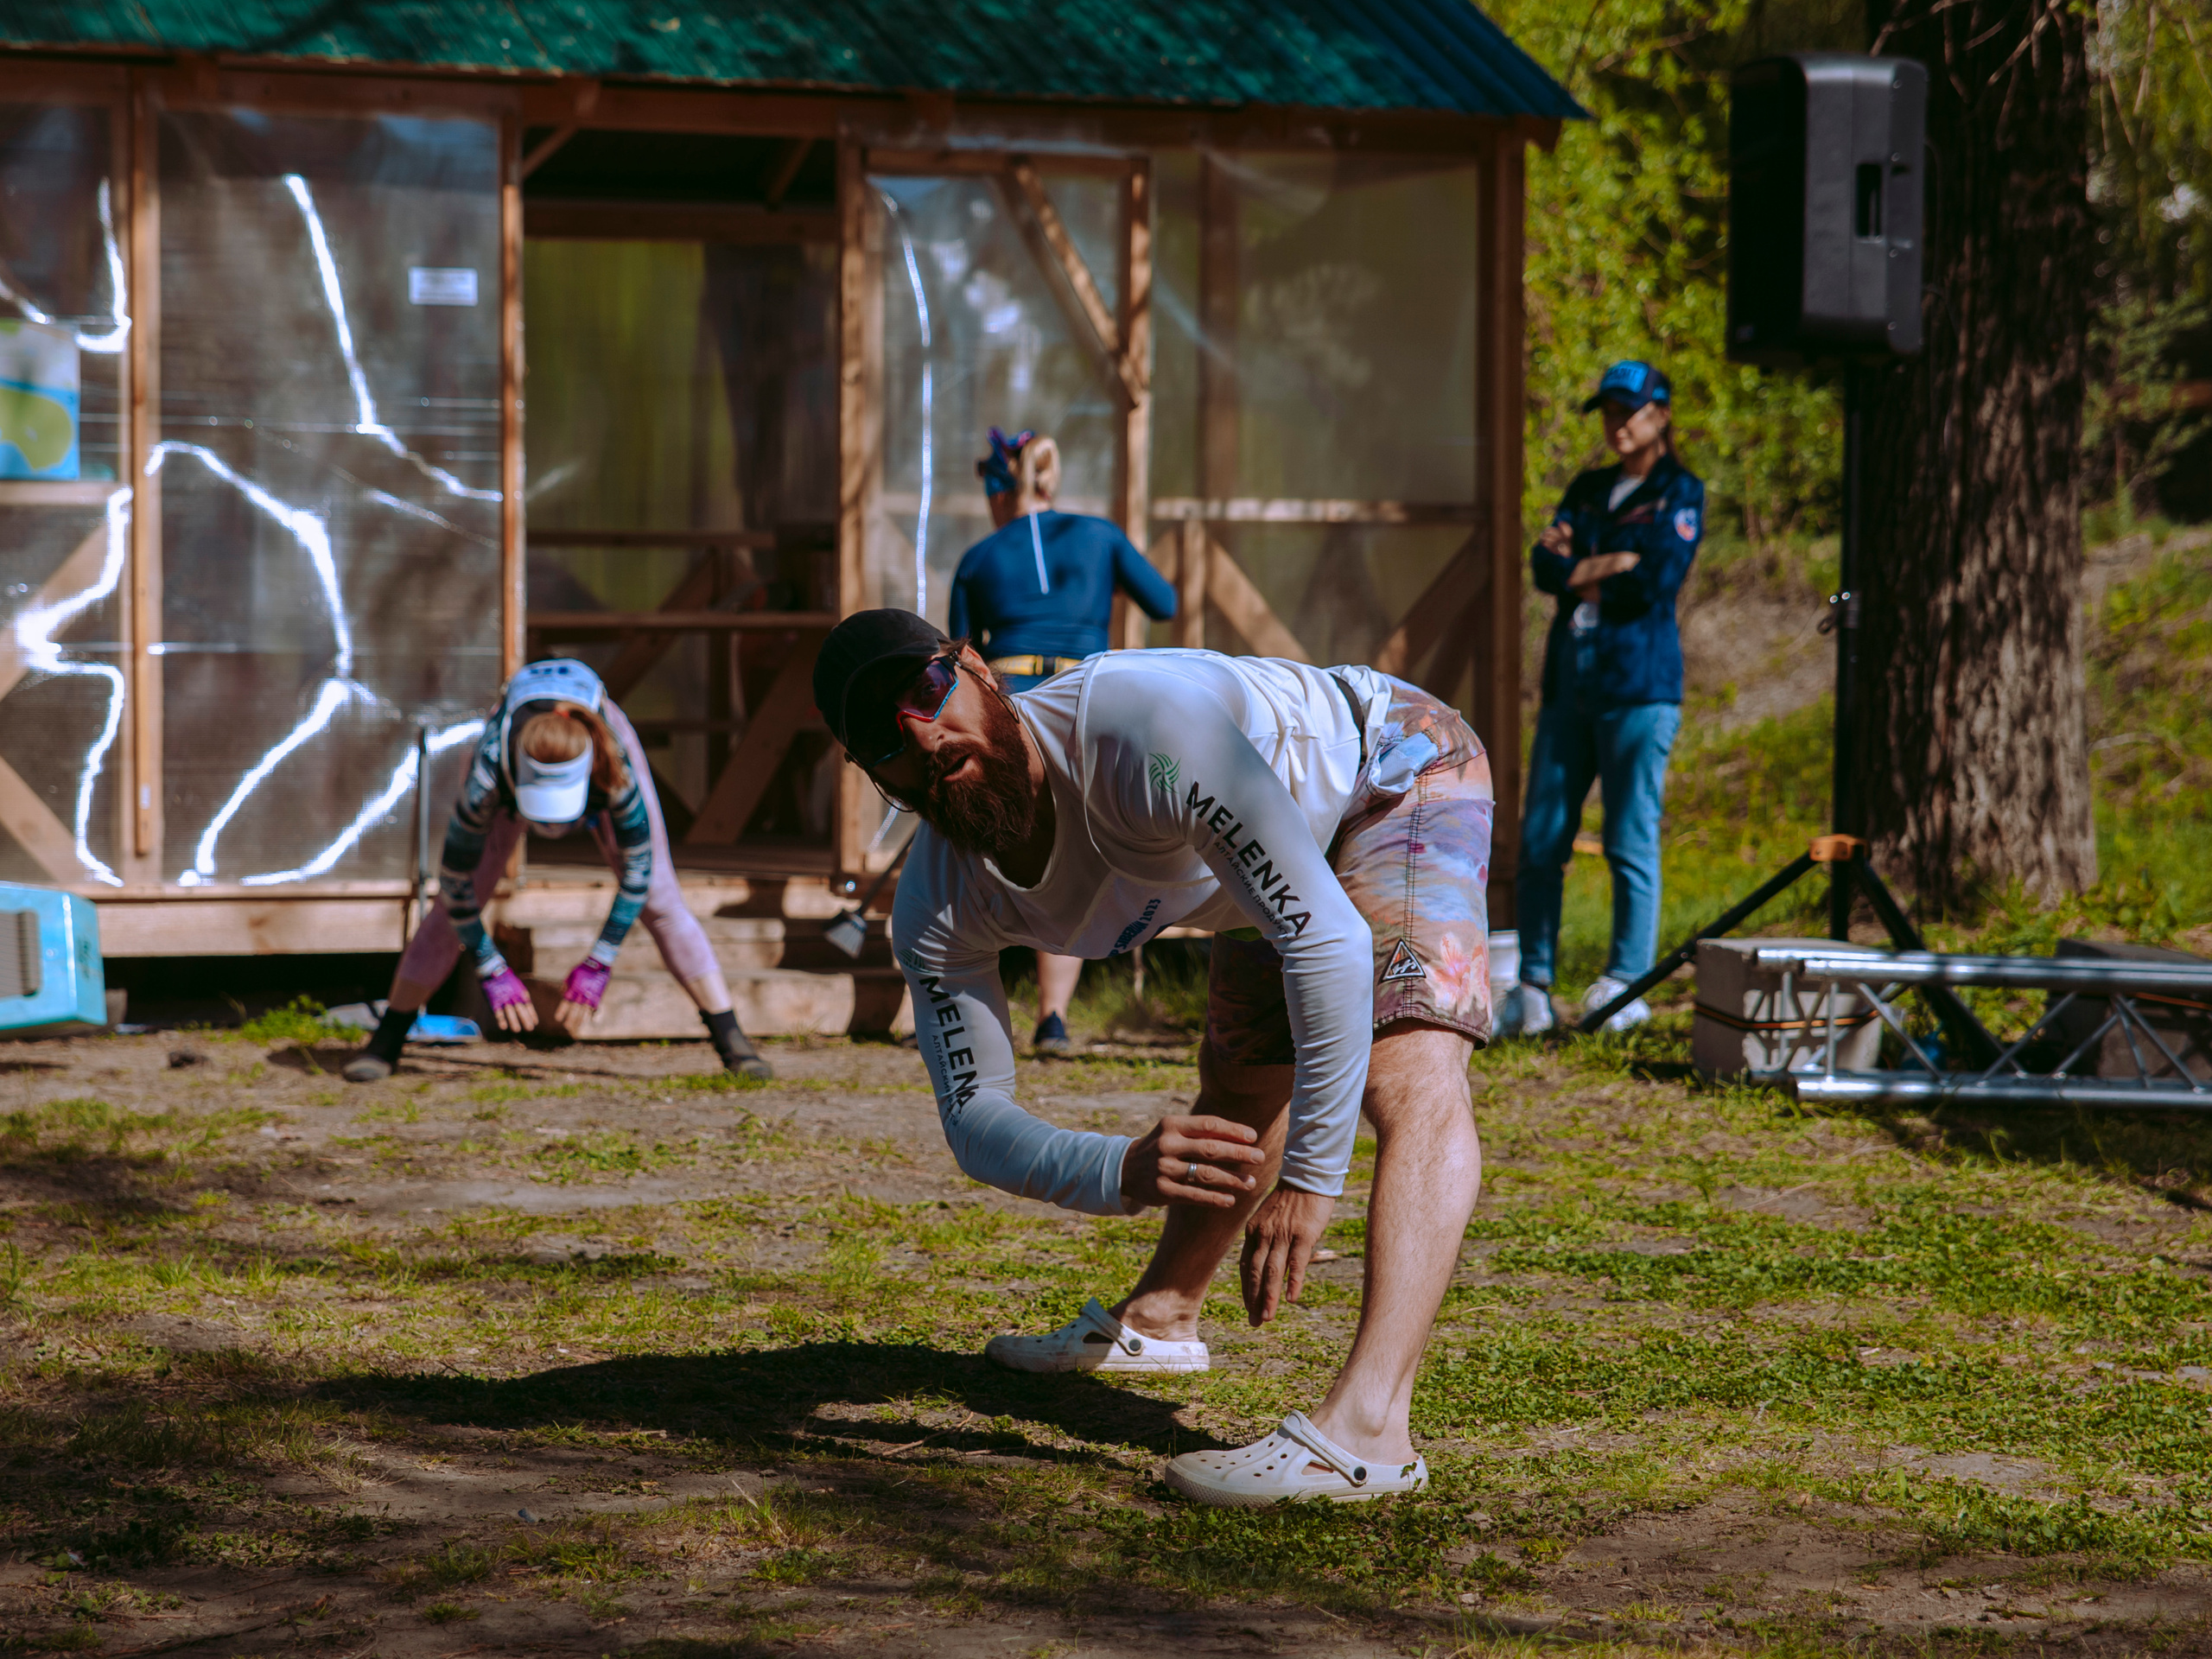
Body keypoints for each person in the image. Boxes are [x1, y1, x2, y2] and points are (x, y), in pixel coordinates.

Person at [813, 609, 1493, 1506]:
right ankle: (1163, 1315)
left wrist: (1312, 1176)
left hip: (1390, 765)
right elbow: (975, 1119)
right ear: (874, 777)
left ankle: (1369, 1430)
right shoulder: (938, 906)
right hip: (1262, 861)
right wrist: (1122, 1167)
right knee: (1244, 1080)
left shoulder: (1141, 736)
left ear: (978, 669)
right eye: (880, 735)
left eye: (926, 690)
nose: (919, 730)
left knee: (1407, 1070)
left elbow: (1322, 937)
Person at [343, 658, 772, 1084]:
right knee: (451, 909)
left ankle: (732, 1041)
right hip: (509, 770)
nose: (553, 829)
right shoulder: (487, 776)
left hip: (597, 756)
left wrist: (600, 961)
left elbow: (639, 874)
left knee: (662, 899)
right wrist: (490, 965)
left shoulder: (614, 769)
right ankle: (386, 1043)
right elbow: (456, 884)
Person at [947, 427, 1178, 1057]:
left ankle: (960, 1001)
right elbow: (1164, 600)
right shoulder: (1098, 536)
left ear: (1000, 489)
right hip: (1083, 701)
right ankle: (1052, 1018)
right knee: (1074, 851)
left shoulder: (979, 558)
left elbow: (959, 655)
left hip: (1014, 707)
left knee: (986, 846)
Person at [1510, 359, 1704, 1036]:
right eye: (1609, 411)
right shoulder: (1589, 488)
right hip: (1571, 688)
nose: (1617, 424)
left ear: (1662, 413)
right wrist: (1603, 565)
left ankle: (1625, 985)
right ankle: (1532, 987)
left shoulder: (1681, 491)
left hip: (1638, 690)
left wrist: (1582, 570)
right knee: (1540, 843)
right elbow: (1544, 568)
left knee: (1629, 840)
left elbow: (1652, 583)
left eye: (1630, 410)